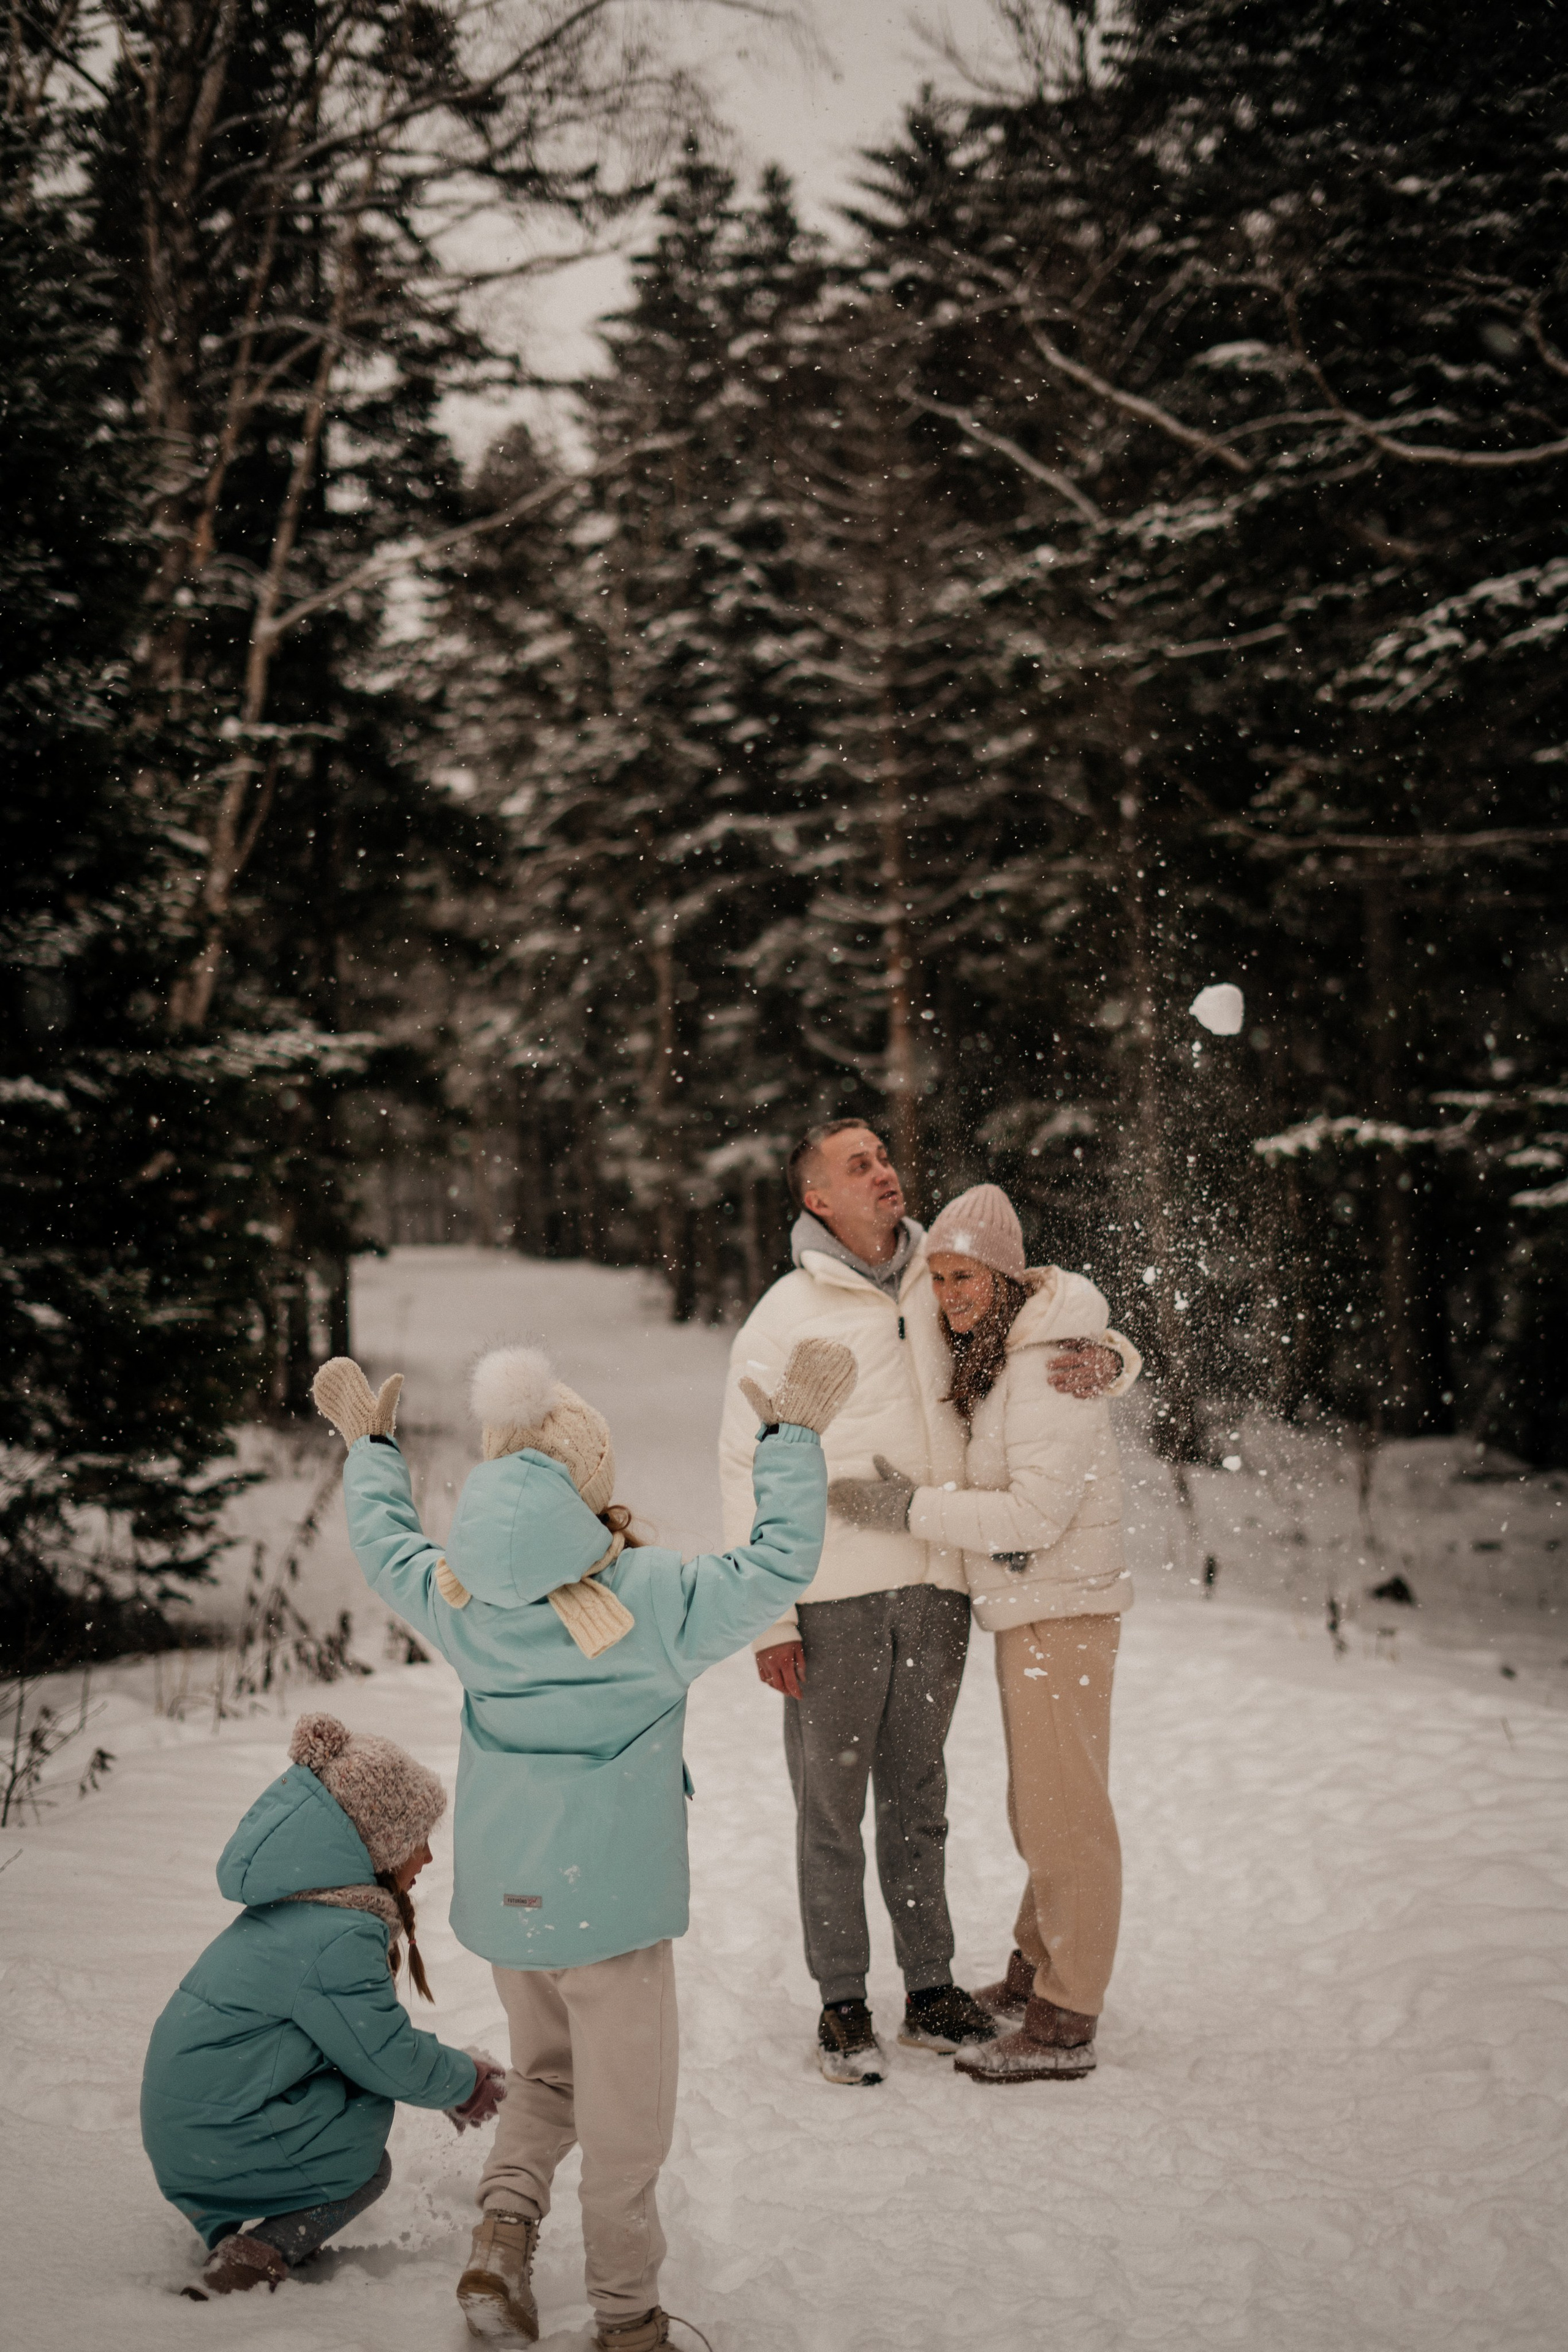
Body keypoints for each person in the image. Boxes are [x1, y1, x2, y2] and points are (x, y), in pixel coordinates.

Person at [313, 1334, 853, 2352]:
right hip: (610, 1914)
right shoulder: (655, 1601)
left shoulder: (463, 1602)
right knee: (625, 2132)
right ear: (588, 1490)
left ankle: (502, 2238)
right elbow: (781, 1560)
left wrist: (371, 1451)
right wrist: (792, 1438)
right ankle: (629, 2318)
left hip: (512, 1903)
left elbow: (389, 1551)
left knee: (548, 2077)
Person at [718, 1119, 1128, 2086]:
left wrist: (1115, 1355)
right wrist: (769, 1617)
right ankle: (842, 2002)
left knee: (919, 1800)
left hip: (941, 1585)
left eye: (883, 1155)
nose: (883, 1172)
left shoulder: (942, 1276)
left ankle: (931, 1985)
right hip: (834, 1599)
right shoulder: (783, 1316)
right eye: (856, 1166)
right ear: (817, 1198)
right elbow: (743, 1468)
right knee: (830, 1810)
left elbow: (1050, 1318)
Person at [828, 1183, 1140, 2083]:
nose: (949, 1293)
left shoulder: (1050, 1363)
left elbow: (1036, 1514)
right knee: (1040, 1805)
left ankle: (1066, 2014)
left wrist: (911, 1509)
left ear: (1002, 1275)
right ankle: (1038, 1964)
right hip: (1036, 1607)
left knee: (1066, 1815)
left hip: (1062, 1607)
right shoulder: (1013, 1349)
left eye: (963, 1275)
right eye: (938, 1277)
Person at [141, 1712, 505, 2299]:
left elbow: (365, 2046)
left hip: (195, 2128)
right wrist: (463, 2081)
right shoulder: (335, 1935)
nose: (429, 1859)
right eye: (419, 1839)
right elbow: (384, 2055)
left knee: (354, 2101)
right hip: (216, 2133)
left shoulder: (301, 1912)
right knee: (363, 2163)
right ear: (381, 1845)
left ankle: (256, 2219)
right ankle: (255, 2257)